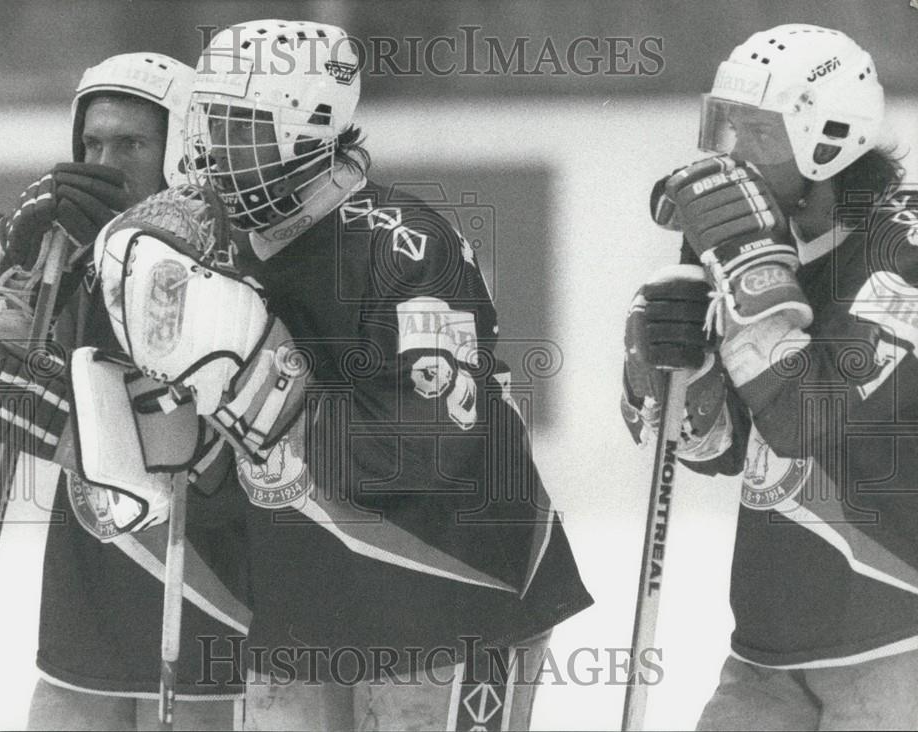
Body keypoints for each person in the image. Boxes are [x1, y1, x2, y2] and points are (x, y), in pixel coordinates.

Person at [92, 18, 593, 731]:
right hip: (305, 600)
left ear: (310, 127)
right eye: (208, 127)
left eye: (242, 129)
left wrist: (264, 388)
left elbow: (430, 441)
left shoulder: (408, 248)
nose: (213, 153)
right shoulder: (216, 242)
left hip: (450, 590)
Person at [622, 24, 917, 730]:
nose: (732, 154)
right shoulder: (764, 239)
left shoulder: (904, 249)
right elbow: (718, 449)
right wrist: (673, 370)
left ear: (830, 137)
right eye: (727, 126)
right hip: (767, 647)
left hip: (898, 642)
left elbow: (808, 418)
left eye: (758, 133)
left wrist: (752, 287)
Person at [0, 53, 253, 730]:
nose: (106, 160)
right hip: (92, 568)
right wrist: (14, 242)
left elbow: (202, 433)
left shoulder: (228, 245)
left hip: (203, 570)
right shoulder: (73, 236)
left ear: (181, 147)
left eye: (132, 143)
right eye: (92, 142)